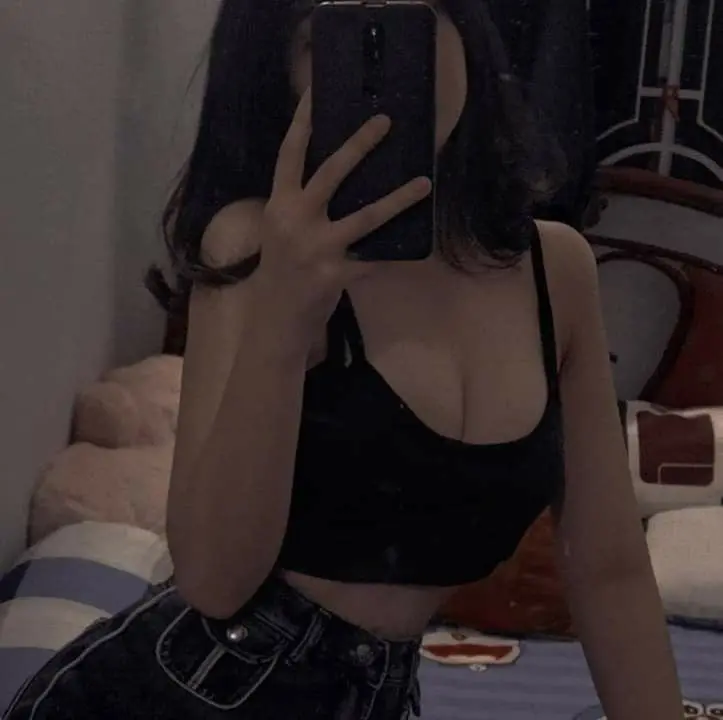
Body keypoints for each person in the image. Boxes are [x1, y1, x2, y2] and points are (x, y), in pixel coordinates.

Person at [4, 1, 684, 718]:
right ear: (279, 76)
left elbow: (608, 571)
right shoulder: (252, 243)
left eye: (409, 19)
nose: (387, 63)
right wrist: (283, 317)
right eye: (337, 38)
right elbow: (213, 580)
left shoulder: (557, 272)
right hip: (190, 693)